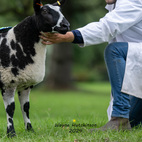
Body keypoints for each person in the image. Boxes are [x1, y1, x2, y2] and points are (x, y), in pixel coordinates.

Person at [40, 0, 142, 131]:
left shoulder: (133, 1)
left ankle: (120, 117)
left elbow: (107, 27)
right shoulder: (115, 6)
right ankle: (121, 119)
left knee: (114, 50)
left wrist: (69, 36)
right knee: (131, 122)